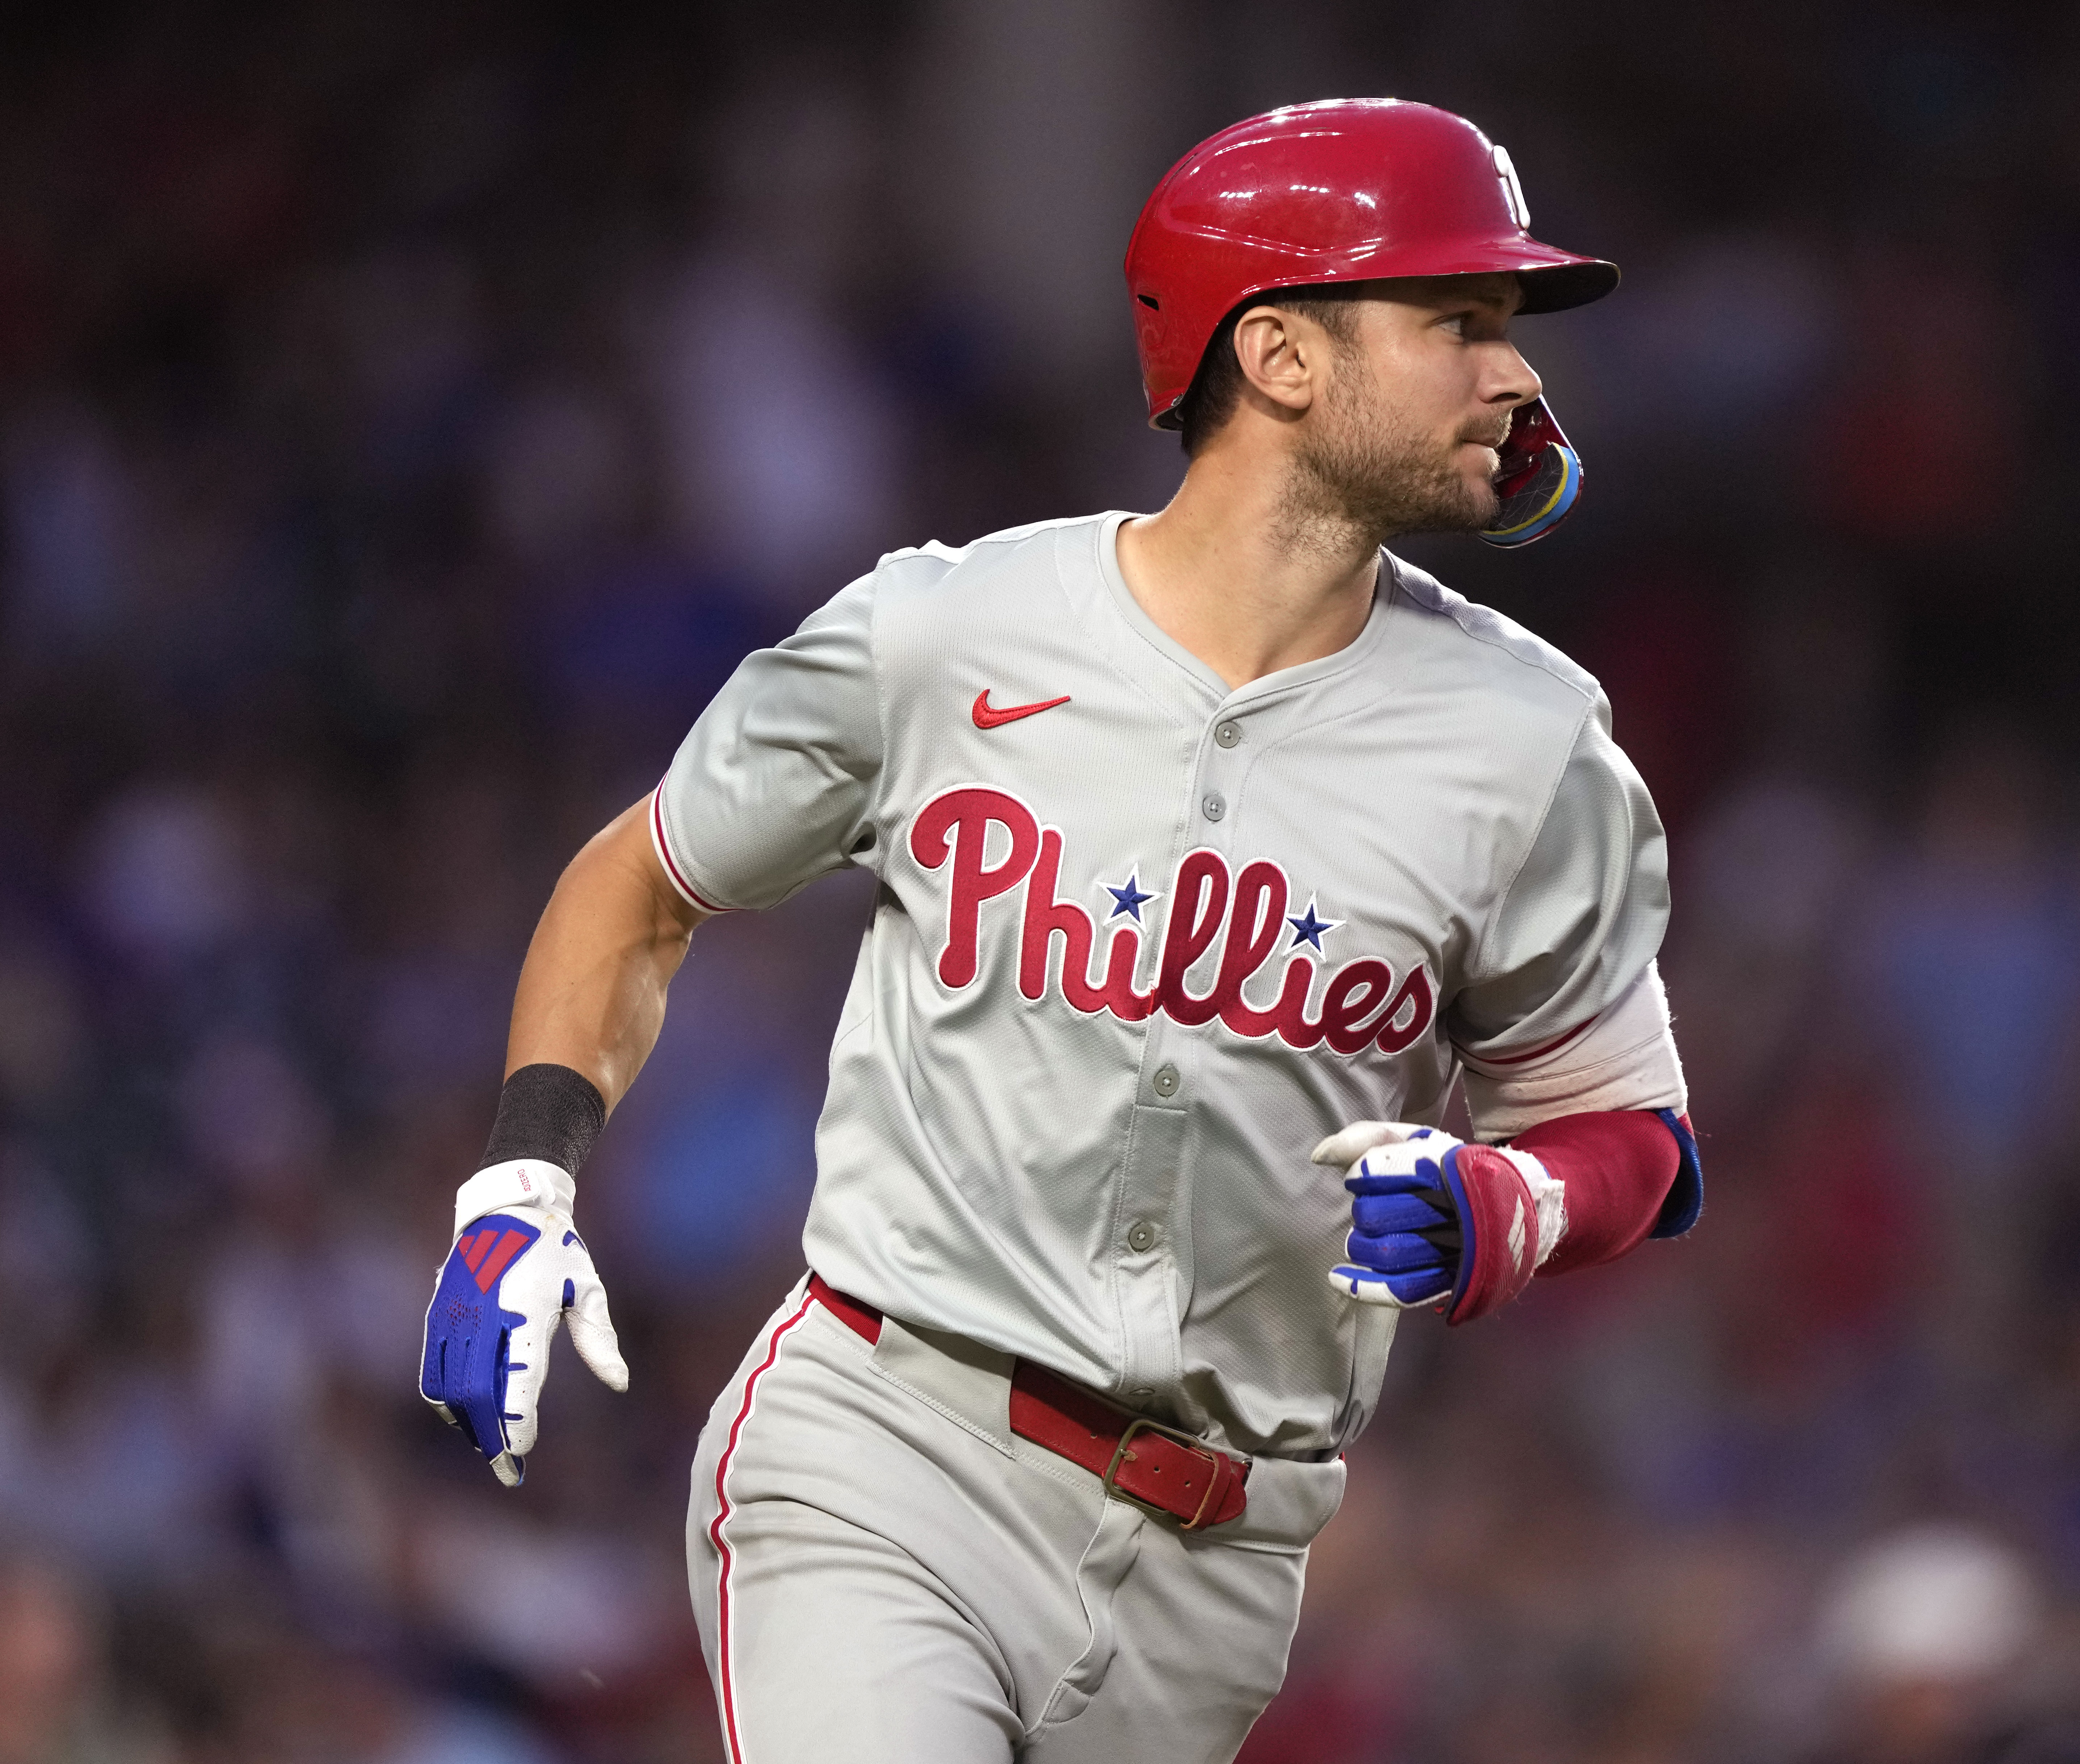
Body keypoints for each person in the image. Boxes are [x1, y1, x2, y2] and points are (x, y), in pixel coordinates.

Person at [417, 97, 1702, 1764]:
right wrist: (526, 1178)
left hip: (1218, 1571)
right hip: (889, 1449)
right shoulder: (946, 633)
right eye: (1458, 321)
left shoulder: (1535, 744)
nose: (1515, 373)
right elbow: (642, 877)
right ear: (1283, 358)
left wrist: (1519, 1198)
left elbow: (1637, 1138)